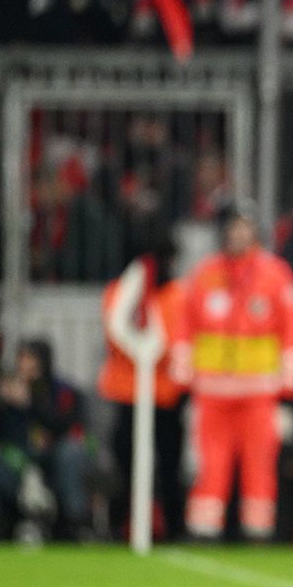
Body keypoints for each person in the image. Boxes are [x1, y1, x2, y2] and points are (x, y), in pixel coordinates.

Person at [173, 204, 293, 541]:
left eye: (245, 228)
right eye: (233, 228)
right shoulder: (204, 274)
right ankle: (204, 529)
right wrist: (182, 372)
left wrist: (290, 381)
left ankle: (257, 531)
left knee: (259, 465)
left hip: (259, 390)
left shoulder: (275, 274)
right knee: (210, 464)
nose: (238, 234)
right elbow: (184, 325)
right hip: (212, 389)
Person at [99, 231, 188, 540]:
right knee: (126, 464)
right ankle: (120, 525)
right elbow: (117, 336)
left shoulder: (175, 296)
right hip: (127, 393)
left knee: (169, 466)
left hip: (165, 395)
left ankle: (174, 528)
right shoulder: (121, 293)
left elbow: (173, 343)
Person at [0, 340, 92, 541]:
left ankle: (76, 524)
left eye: (31, 358)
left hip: (53, 454)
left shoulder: (61, 390)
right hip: (15, 454)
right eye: (22, 358)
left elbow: (66, 425)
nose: (26, 364)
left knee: (71, 452)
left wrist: (32, 401)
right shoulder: (8, 387)